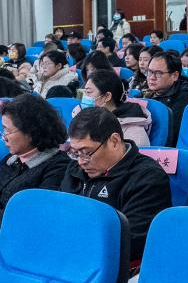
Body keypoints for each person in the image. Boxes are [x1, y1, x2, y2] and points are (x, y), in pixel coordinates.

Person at [60, 107, 171, 261]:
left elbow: (131, 242)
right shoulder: (75, 168)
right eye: (75, 153)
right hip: (69, 252)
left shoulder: (147, 177)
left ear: (114, 141)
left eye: (86, 152)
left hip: (108, 262)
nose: (81, 161)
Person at [0, 94, 72, 209]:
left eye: (8, 131)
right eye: (3, 129)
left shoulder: (58, 168)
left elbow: (35, 213)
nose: (4, 137)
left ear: (31, 133)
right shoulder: (10, 159)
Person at [82, 68, 151, 147]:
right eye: (85, 92)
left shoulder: (134, 134)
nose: (85, 97)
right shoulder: (88, 118)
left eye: (89, 92)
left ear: (107, 96)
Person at [144, 50, 188, 146]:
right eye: (150, 72)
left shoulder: (184, 99)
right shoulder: (146, 94)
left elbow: (170, 136)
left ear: (174, 76)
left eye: (158, 73)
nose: (152, 77)